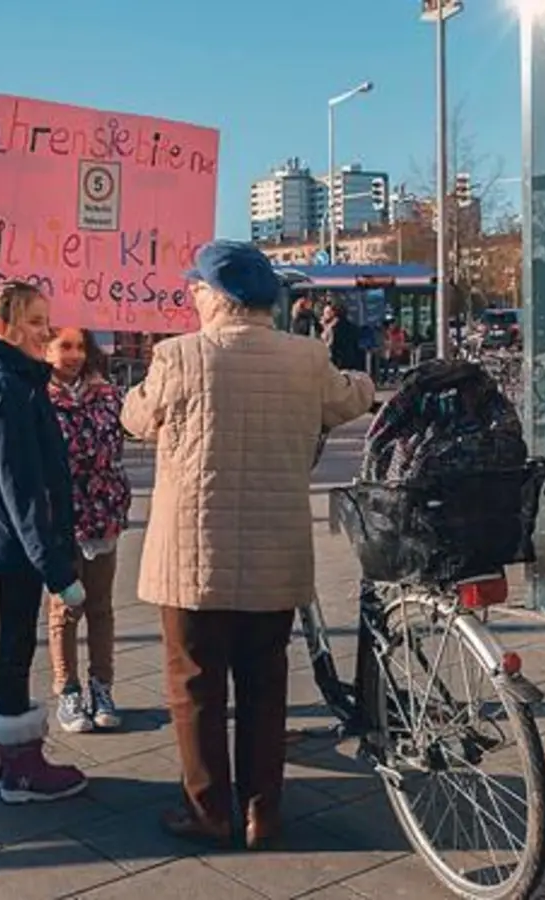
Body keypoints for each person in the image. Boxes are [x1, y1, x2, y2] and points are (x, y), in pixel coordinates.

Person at [121, 240, 375, 849]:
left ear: (216, 297)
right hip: (274, 549)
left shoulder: (176, 355)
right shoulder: (307, 357)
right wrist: (362, 379)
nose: (191, 298)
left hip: (191, 556)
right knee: (265, 682)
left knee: (195, 682)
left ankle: (208, 809)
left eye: (195, 290)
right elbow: (351, 398)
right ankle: (265, 813)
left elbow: (137, 418)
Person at [0, 281, 89, 804]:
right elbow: (20, 486)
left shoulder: (16, 380)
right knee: (14, 645)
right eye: (34, 322)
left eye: (45, 321)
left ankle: (18, 762)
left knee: (16, 641)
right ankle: (20, 768)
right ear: (3, 328)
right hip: (19, 542)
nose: (45, 331)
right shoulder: (7, 387)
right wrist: (56, 567)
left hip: (18, 540)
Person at [42, 327, 132, 733]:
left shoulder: (108, 395)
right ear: (46, 350)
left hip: (103, 512)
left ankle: (102, 686)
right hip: (60, 518)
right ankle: (68, 691)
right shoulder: (38, 397)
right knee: (66, 606)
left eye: (80, 346)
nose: (74, 355)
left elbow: (116, 445)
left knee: (100, 605)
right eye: (64, 346)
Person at [322, 302, 367, 372]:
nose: (323, 316)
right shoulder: (352, 327)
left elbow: (329, 346)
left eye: (327, 313)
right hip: (352, 365)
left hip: (337, 365)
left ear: (334, 314)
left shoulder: (333, 329)